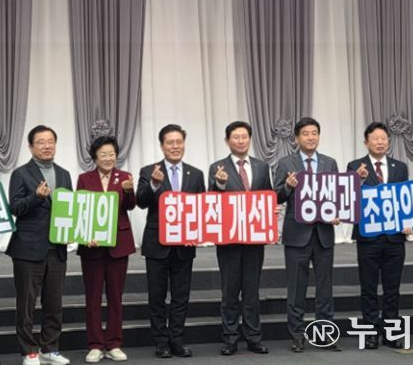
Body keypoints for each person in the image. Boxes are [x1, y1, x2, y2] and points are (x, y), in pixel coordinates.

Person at [136, 124, 206, 359]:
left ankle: (177, 340)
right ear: (162, 145)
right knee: (156, 296)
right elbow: (141, 202)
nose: (175, 146)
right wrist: (154, 185)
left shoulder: (196, 174)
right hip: (157, 243)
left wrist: (197, 234)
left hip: (184, 245)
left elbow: (201, 209)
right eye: (170, 142)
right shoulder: (149, 171)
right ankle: (160, 342)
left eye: (179, 142)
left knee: (181, 296)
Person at [273, 117, 341, 353]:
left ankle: (325, 334)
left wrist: (338, 213)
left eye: (314, 133)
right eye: (305, 133)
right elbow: (277, 196)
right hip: (297, 234)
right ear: (296, 138)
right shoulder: (286, 163)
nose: (311, 137)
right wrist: (288, 187)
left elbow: (336, 195)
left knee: (325, 288)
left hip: (323, 233)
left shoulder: (329, 163)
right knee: (296, 288)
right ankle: (297, 334)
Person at [7, 125, 73, 365]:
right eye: (41, 142)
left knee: (54, 303)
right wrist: (36, 197)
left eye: (50, 141)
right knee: (26, 304)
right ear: (30, 147)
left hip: (57, 248)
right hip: (28, 248)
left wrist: (72, 231)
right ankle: (29, 351)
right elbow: (15, 207)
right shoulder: (21, 173)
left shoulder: (64, 174)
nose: (47, 146)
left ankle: (50, 348)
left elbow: (69, 207)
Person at [208, 121, 272, 356]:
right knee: (230, 291)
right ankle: (230, 338)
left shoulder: (262, 166)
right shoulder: (218, 167)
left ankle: (254, 338)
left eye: (245, 136)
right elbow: (211, 200)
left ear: (250, 139)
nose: (241, 141)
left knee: (252, 291)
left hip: (254, 240)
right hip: (229, 240)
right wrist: (220, 184)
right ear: (227, 141)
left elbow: (268, 196)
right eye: (236, 137)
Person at [347, 122, 410, 349]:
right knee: (369, 288)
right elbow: (348, 198)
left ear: (388, 142)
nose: (380, 142)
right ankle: (371, 333)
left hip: (394, 238)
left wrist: (408, 222)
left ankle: (391, 333)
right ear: (366, 142)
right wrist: (359, 179)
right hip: (368, 238)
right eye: (375, 139)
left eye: (384, 139)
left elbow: (405, 199)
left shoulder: (400, 167)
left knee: (393, 289)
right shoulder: (355, 166)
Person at [77, 136, 137, 363]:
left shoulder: (125, 177)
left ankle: (114, 343)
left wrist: (129, 191)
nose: (108, 158)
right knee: (92, 298)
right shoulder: (84, 178)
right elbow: (81, 210)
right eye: (103, 154)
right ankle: (94, 345)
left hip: (118, 244)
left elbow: (130, 206)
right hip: (92, 246)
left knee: (115, 297)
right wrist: (85, 235)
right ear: (95, 157)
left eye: (112, 154)